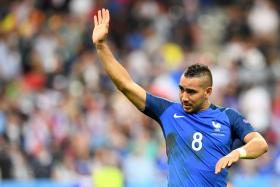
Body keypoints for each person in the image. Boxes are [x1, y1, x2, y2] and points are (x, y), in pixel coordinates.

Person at [92, 9, 268, 187]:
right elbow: (126, 85)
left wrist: (236, 154)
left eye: (191, 92)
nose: (184, 97)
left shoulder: (228, 118)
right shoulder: (168, 111)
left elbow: (260, 144)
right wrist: (101, 46)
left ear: (208, 92)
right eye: (181, 90)